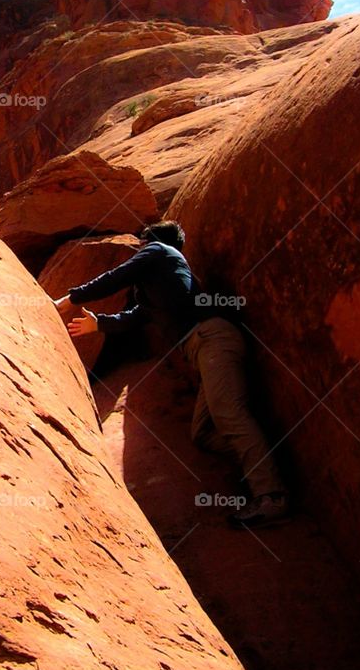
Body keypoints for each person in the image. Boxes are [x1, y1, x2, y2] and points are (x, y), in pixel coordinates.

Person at [54, 220, 290, 528]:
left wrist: (70, 299)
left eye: (140, 243)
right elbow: (138, 316)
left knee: (228, 413)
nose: (137, 249)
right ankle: (265, 461)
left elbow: (118, 277)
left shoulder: (159, 251)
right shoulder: (162, 283)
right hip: (203, 348)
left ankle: (271, 494)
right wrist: (99, 323)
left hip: (212, 339)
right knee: (203, 434)